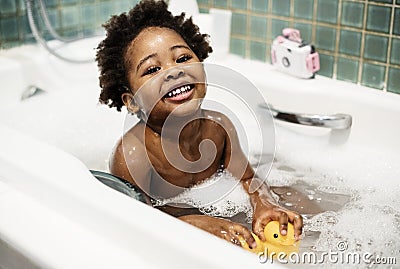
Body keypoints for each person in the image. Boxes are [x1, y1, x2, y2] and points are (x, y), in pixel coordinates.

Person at [96, 0, 302, 249]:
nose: (173, 72)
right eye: (152, 69)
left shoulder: (219, 127)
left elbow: (249, 180)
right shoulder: (133, 154)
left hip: (217, 209)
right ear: (132, 102)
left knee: (300, 201)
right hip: (169, 241)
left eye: (182, 58)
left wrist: (264, 201)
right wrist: (193, 223)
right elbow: (139, 222)